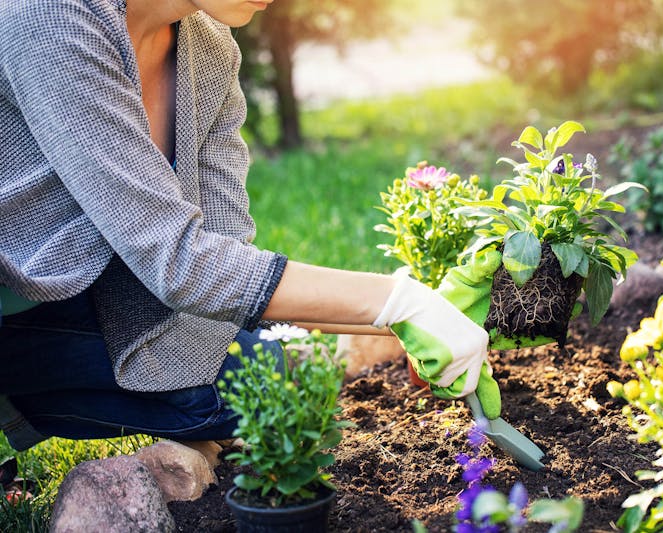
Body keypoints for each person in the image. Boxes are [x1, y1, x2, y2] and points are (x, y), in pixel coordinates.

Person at [0, 0, 495, 451]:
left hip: (107, 293)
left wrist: (415, 315)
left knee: (266, 381)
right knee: (235, 394)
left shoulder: (209, 49)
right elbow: (178, 260)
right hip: (18, 299)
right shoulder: (47, 16)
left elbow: (224, 255)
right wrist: (393, 300)